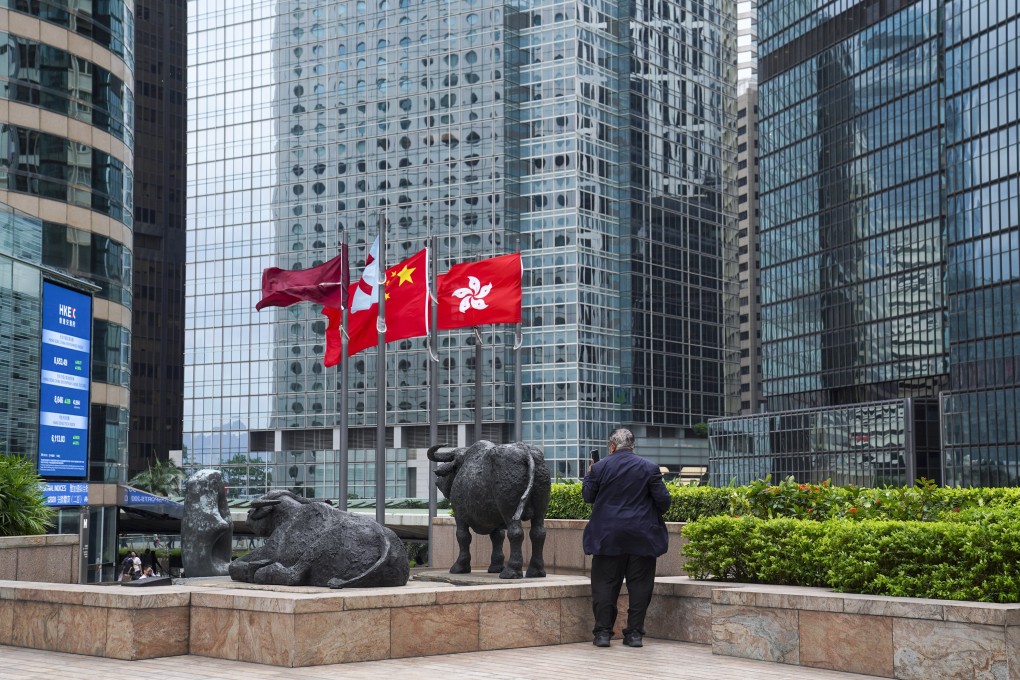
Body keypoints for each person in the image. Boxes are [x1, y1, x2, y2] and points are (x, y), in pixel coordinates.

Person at [582, 428, 671, 649]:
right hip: (642, 537)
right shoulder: (649, 468)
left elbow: (588, 497)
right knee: (640, 587)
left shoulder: (599, 467)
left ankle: (602, 634)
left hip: (607, 537)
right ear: (632, 445)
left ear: (612, 445)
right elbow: (664, 502)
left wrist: (589, 473)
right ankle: (634, 635)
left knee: (604, 586)